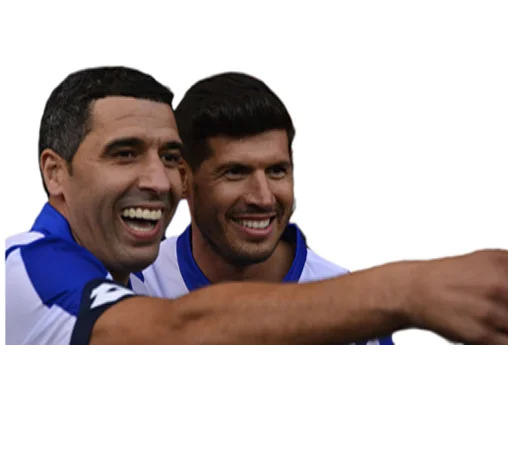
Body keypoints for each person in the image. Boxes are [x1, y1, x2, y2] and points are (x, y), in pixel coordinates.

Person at [5, 66, 508, 347]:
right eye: (124, 153)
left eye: (169, 157)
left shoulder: (120, 267)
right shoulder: (23, 271)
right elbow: (176, 328)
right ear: (55, 172)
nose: (158, 181)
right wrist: (406, 290)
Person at [137, 72, 394, 346]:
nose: (263, 198)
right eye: (235, 172)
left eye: (276, 171)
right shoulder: (133, 287)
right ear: (182, 180)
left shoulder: (355, 317)